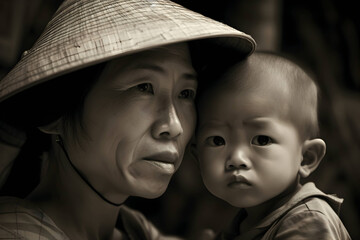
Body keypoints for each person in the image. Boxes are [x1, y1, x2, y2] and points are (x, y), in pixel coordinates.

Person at [0, 0, 256, 239]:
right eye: (144, 87)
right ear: (55, 110)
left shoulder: (132, 230)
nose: (174, 126)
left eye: (186, 93)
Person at [194, 51, 351, 239]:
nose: (236, 158)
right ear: (197, 157)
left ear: (307, 157)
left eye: (262, 140)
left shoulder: (307, 221)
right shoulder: (244, 224)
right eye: (218, 141)